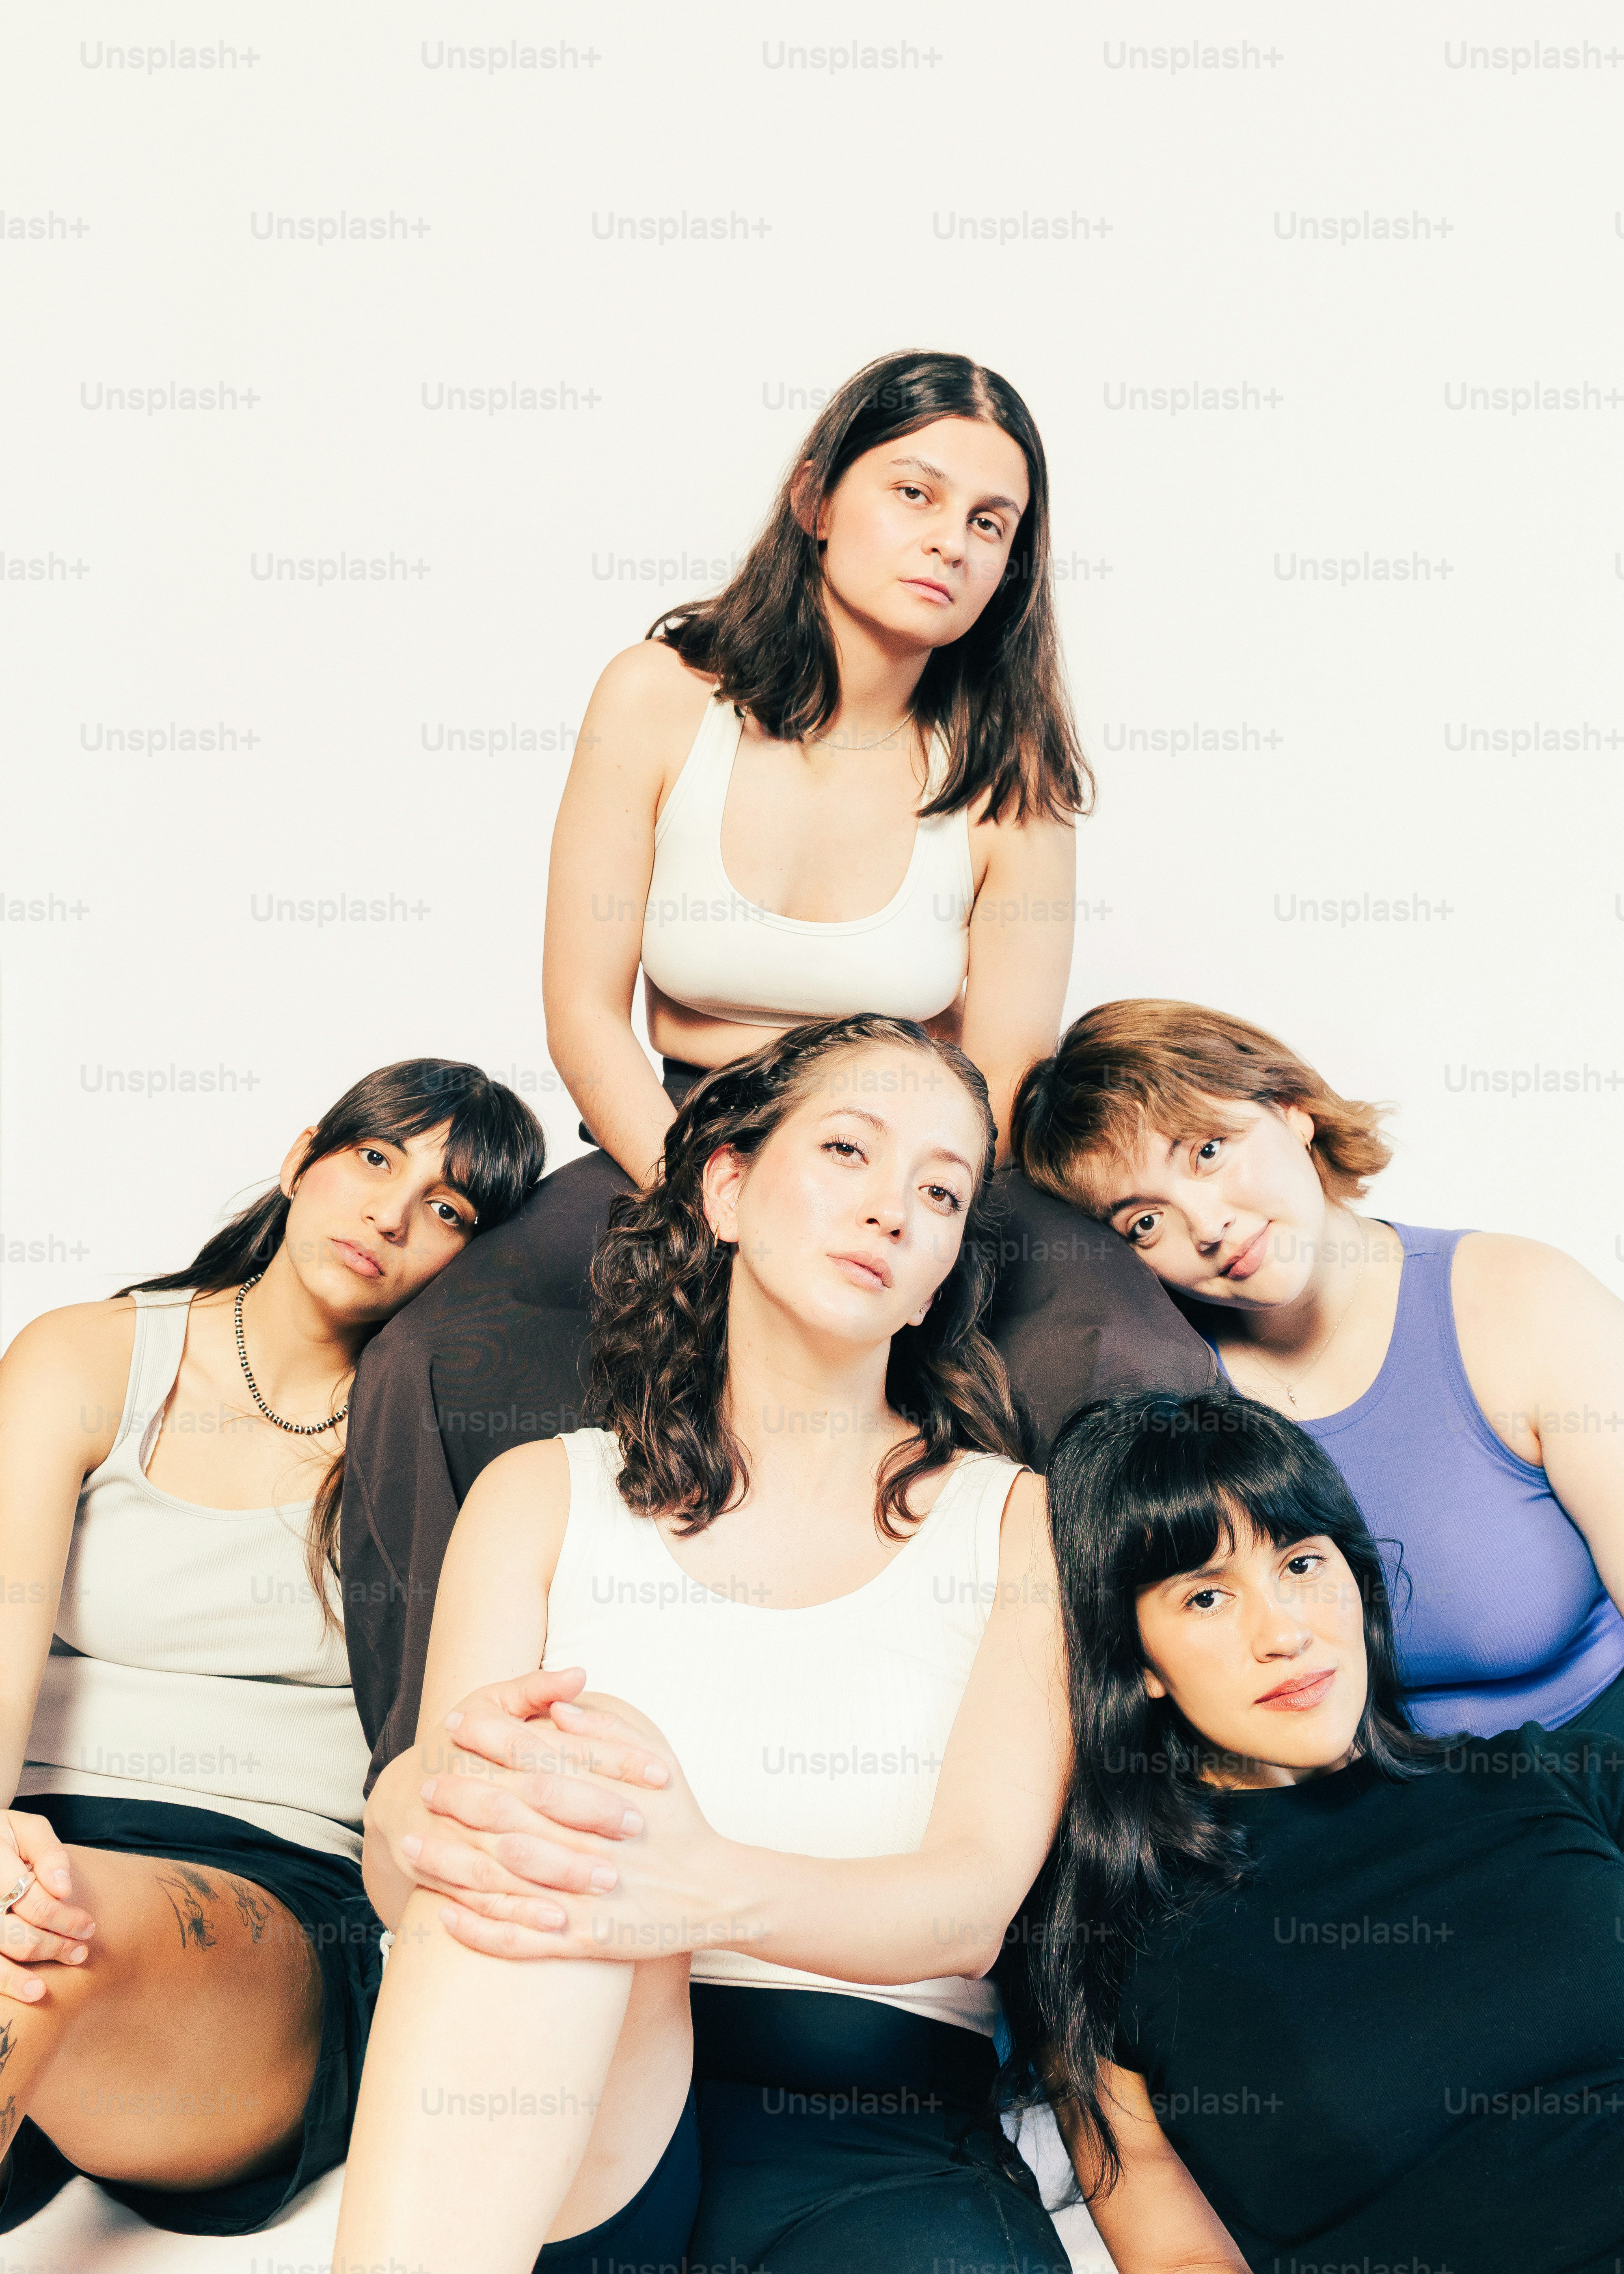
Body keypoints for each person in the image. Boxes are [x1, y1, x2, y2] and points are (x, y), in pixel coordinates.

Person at [340, 350, 1213, 1778]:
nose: (951, 537)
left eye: (993, 522)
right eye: (915, 491)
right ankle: (437, 1799)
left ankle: (1130, 1841)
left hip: (922, 1154)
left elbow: (995, 1072)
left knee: (1138, 1366)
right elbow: (582, 1012)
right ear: (816, 498)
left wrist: (886, 1198)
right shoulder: (658, 695)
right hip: (675, 1137)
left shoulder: (1015, 769)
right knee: (433, 1364)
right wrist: (718, 1195)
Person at [332, 1017, 1074, 2274]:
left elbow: (969, 1908)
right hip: (565, 2095)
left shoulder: (1012, 1522)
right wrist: (421, 1811)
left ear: (944, 1265)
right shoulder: (540, 1492)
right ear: (727, 1186)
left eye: (939, 1191)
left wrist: (689, 1882)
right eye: (849, 1149)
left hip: (870, 2132)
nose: (893, 1209)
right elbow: (422, 1857)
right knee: (534, 1802)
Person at [0, 1061, 544, 2237]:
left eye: (450, 1210)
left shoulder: (447, 1441)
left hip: (266, 1912)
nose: (391, 1214)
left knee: (41, 1941)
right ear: (305, 1158)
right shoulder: (89, 1357)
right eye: (376, 1158)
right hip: (21, 1839)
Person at [1006, 1386, 1624, 2274]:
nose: (1285, 1633)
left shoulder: (1550, 1777)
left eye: (1299, 1564)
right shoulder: (1102, 1952)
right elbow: (1179, 2255)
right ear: (1135, 1660)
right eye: (1206, 1597)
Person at [1011, 998, 1624, 1738]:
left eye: (1209, 1150)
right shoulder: (1167, 1395)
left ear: (1292, 1107)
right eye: (1145, 1221)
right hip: (1385, 1809)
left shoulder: (1521, 1299)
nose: (1206, 1227)